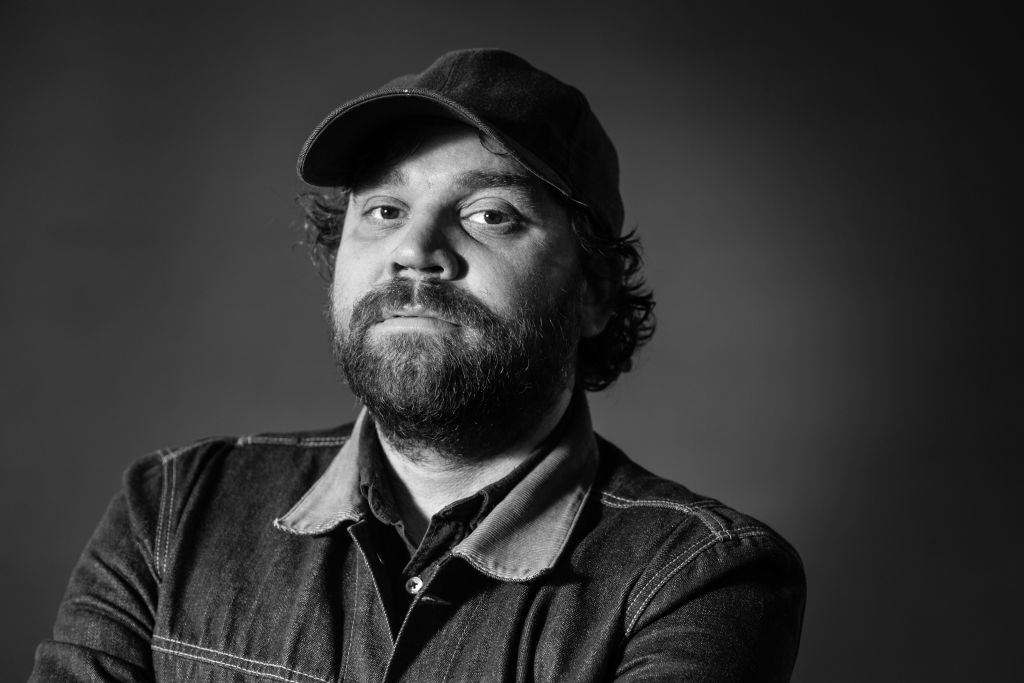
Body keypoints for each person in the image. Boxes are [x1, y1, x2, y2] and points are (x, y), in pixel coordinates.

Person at [32, 48, 805, 682]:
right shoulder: (172, 512)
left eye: (490, 214)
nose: (414, 249)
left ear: (594, 290)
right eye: (385, 210)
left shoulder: (694, 579)